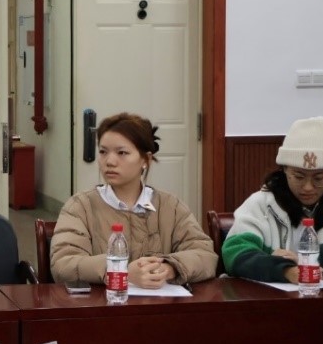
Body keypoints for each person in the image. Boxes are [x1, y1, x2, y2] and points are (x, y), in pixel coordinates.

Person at [51, 112, 217, 287]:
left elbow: (205, 255)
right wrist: (121, 271)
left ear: (146, 160)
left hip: (159, 302)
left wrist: (170, 268)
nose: (109, 161)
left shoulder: (170, 207)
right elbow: (63, 264)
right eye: (103, 152)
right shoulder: (80, 206)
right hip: (104, 302)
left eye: (122, 152)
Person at [222, 116, 323, 283]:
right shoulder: (261, 204)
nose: (308, 187)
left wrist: (306, 259)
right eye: (298, 177)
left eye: (319, 178)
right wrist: (285, 270)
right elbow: (235, 254)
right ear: (284, 170)